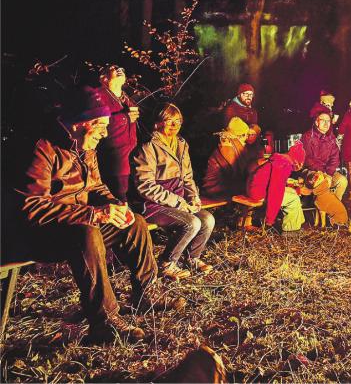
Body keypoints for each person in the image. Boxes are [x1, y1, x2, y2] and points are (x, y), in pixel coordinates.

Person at [7, 87, 180, 344]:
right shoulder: (42, 150)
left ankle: (147, 294)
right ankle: (104, 322)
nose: (105, 132)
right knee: (85, 232)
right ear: (82, 123)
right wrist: (95, 214)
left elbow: (96, 187)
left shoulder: (85, 147)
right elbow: (32, 207)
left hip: (83, 223)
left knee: (135, 224)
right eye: (100, 125)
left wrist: (114, 206)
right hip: (42, 234)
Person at [134, 104, 215, 280]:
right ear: (157, 123)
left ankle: (191, 258)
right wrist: (179, 203)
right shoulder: (148, 147)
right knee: (191, 223)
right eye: (169, 121)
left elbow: (187, 176)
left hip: (178, 200)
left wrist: (193, 198)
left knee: (207, 219)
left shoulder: (181, 143)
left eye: (178, 121)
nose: (175, 125)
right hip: (153, 204)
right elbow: (145, 185)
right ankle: (166, 263)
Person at [96, 64, 139, 201]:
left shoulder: (126, 98)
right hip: (113, 162)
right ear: (104, 78)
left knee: (134, 203)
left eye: (122, 68)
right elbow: (95, 122)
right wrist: (124, 117)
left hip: (132, 161)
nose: (120, 69)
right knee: (120, 203)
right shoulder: (98, 96)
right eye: (114, 68)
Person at [246, 143, 306, 232]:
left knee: (292, 192)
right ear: (297, 161)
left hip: (255, 187)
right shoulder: (284, 165)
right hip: (258, 192)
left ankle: (298, 223)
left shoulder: (280, 159)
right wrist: (270, 219)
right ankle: (291, 230)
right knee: (293, 199)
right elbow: (275, 191)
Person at [301, 103, 348, 201]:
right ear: (316, 122)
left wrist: (329, 174)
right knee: (321, 181)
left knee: (342, 181)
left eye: (328, 121)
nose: (326, 124)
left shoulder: (331, 138)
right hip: (310, 171)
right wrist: (323, 173)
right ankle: (321, 209)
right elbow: (307, 159)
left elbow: (334, 159)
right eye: (323, 121)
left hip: (327, 172)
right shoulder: (308, 137)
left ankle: (333, 207)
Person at [202, 117, 249, 198]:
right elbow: (235, 172)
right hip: (217, 188)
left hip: (223, 184)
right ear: (239, 135)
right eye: (245, 134)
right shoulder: (227, 147)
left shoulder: (233, 144)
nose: (247, 137)